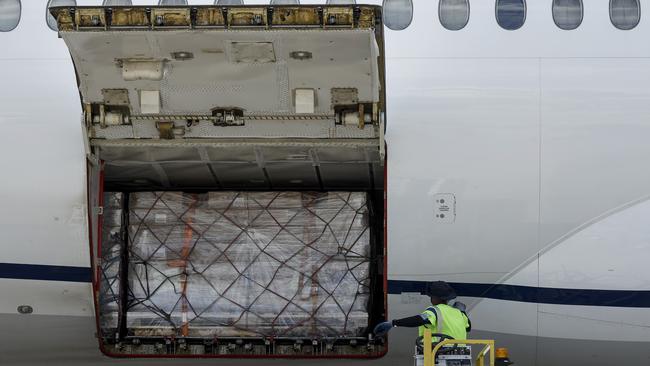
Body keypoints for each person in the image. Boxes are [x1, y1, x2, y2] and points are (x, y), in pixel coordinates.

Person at [373, 281, 471, 342]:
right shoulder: (459, 313)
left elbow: (419, 320)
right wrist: (463, 312)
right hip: (460, 355)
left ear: (435, 298)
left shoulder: (435, 311)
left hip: (438, 353)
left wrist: (393, 323)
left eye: (431, 296)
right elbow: (468, 327)